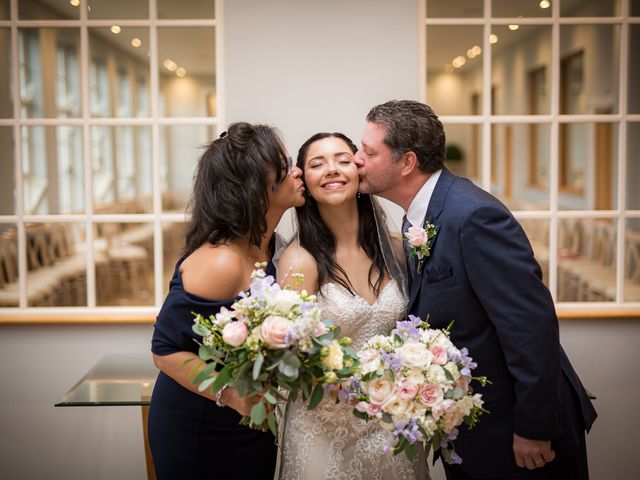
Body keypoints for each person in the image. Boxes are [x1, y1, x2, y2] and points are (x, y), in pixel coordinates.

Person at [353, 100, 597, 479]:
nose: (356, 159)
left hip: (515, 432)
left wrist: (533, 428)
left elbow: (529, 324)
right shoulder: (420, 218)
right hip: (473, 428)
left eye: (368, 151)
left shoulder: (473, 216)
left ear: (407, 162)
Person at [148, 122, 305, 479]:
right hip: (201, 425)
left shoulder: (273, 246)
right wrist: (232, 395)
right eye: (284, 168)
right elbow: (164, 350)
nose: (296, 171)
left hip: (248, 422)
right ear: (255, 189)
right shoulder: (222, 260)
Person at [277, 132, 429, 480]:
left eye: (343, 160)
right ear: (305, 181)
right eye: (317, 164)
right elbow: (288, 360)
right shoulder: (300, 261)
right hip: (325, 432)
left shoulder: (398, 250)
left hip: (391, 427)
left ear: (360, 171)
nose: (332, 169)